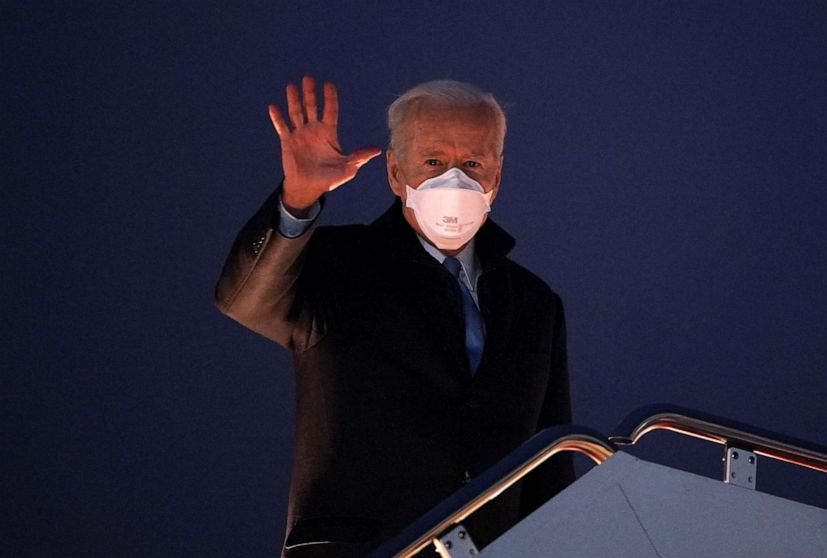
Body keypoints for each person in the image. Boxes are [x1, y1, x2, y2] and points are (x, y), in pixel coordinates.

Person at [215, 76, 574, 557]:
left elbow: (549, 465)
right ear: (394, 171)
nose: (456, 179)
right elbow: (244, 299)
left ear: (497, 175)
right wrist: (297, 200)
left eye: (472, 163)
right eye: (433, 162)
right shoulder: (336, 265)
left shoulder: (535, 304)